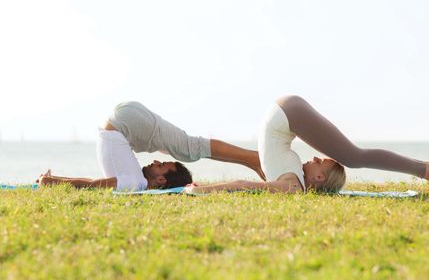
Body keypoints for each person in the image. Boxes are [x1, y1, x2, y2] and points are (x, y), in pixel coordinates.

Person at [184, 95, 429, 195]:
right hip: (287, 114)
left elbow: (245, 186)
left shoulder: (292, 186)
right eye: (319, 159)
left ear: (319, 177)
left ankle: (427, 169)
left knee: (354, 158)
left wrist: (203, 190)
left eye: (320, 161)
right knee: (354, 158)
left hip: (286, 113)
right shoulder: (294, 180)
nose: (314, 158)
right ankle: (426, 169)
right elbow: (249, 185)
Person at [38, 101, 264, 191]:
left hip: (124, 122)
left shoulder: (134, 180)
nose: (155, 160)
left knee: (185, 148)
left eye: (161, 165)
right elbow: (93, 185)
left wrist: (53, 180)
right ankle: (254, 158)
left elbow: (94, 184)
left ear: (161, 180)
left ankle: (254, 159)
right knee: (189, 149)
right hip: (126, 122)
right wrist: (52, 182)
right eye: (162, 164)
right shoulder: (135, 181)